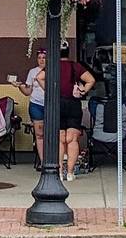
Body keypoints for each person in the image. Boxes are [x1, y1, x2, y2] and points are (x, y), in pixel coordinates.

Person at [37, 43, 95, 182]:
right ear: (68, 52)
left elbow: (39, 77)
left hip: (57, 104)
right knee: (73, 139)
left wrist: (50, 91)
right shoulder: (75, 66)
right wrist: (83, 91)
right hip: (73, 103)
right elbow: (91, 80)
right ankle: (70, 172)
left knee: (60, 139)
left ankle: (59, 173)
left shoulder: (52, 66)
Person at [15, 50, 47, 166]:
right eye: (39, 57)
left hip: (50, 105)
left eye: (44, 57)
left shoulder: (53, 70)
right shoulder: (32, 72)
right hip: (36, 104)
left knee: (54, 132)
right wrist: (20, 86)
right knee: (39, 134)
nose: (42, 60)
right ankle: (43, 161)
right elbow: (28, 91)